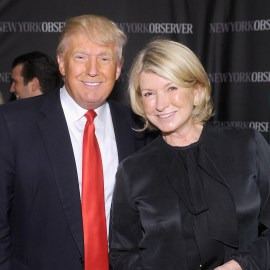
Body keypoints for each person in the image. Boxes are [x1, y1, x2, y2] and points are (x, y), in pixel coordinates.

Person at [0, 15, 154, 270]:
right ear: (62, 63)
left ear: (117, 68)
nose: (92, 70)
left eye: (104, 58)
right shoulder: (12, 124)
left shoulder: (139, 127)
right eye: (81, 57)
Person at [109, 39, 270, 270]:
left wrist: (243, 265)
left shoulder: (247, 145)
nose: (160, 104)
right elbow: (122, 255)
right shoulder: (133, 170)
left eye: (172, 88)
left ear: (197, 91)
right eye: (149, 93)